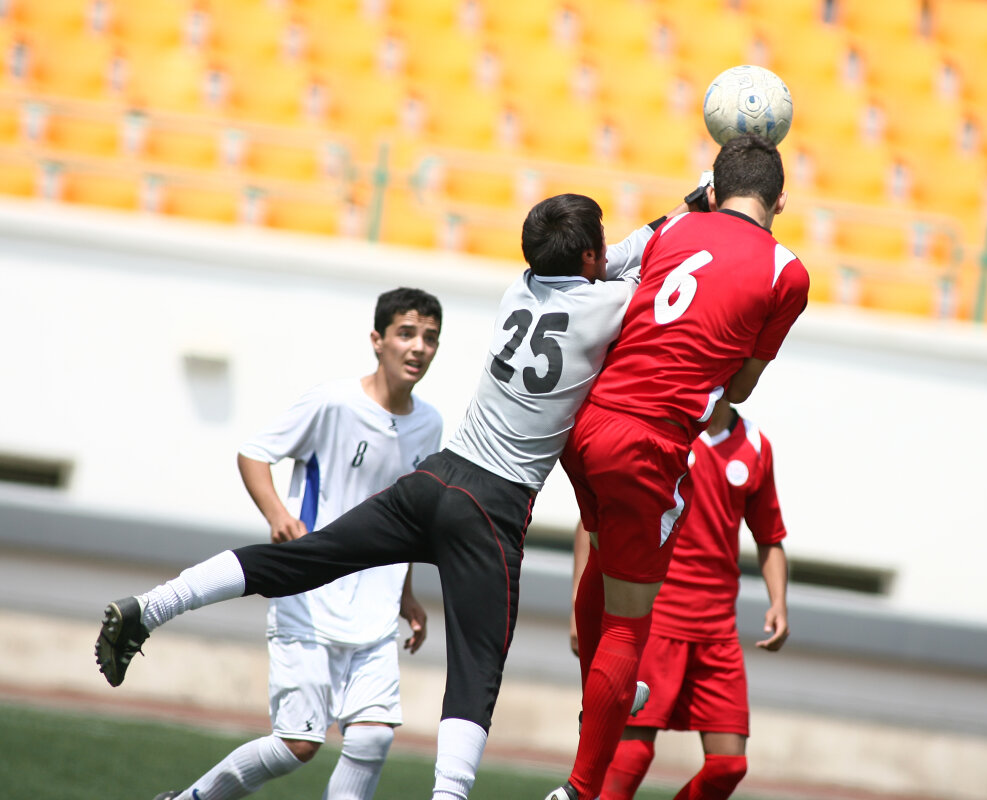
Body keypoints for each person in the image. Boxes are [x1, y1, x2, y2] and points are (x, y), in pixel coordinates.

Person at [95, 193, 680, 800]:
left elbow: (607, 256)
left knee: (301, 561)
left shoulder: (520, 288)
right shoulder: (613, 304)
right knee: (477, 669)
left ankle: (154, 606)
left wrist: (677, 213)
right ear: (588, 255)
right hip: (493, 505)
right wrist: (688, 215)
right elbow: (642, 260)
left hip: (438, 477)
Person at [548, 134, 810, 800]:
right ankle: (580, 790)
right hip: (647, 443)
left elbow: (610, 268)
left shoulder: (674, 227)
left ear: (714, 190)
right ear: (781, 200)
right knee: (628, 628)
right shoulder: (787, 273)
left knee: (602, 556)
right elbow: (738, 388)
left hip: (585, 423)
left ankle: (596, 702)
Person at [148, 287, 443, 800]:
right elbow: (254, 454)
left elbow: (408, 517)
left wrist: (406, 594)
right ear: (377, 340)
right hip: (310, 598)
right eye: (406, 333)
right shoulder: (333, 402)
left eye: (430, 338)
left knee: (372, 738)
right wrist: (279, 516)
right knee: (297, 744)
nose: (419, 347)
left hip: (375, 610)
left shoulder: (430, 423)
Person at [569, 398, 790, 800]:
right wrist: (579, 608)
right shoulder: (661, 430)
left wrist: (778, 602)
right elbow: (595, 519)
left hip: (717, 628)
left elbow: (769, 536)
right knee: (631, 753)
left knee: (728, 766)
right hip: (652, 616)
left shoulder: (756, 446)